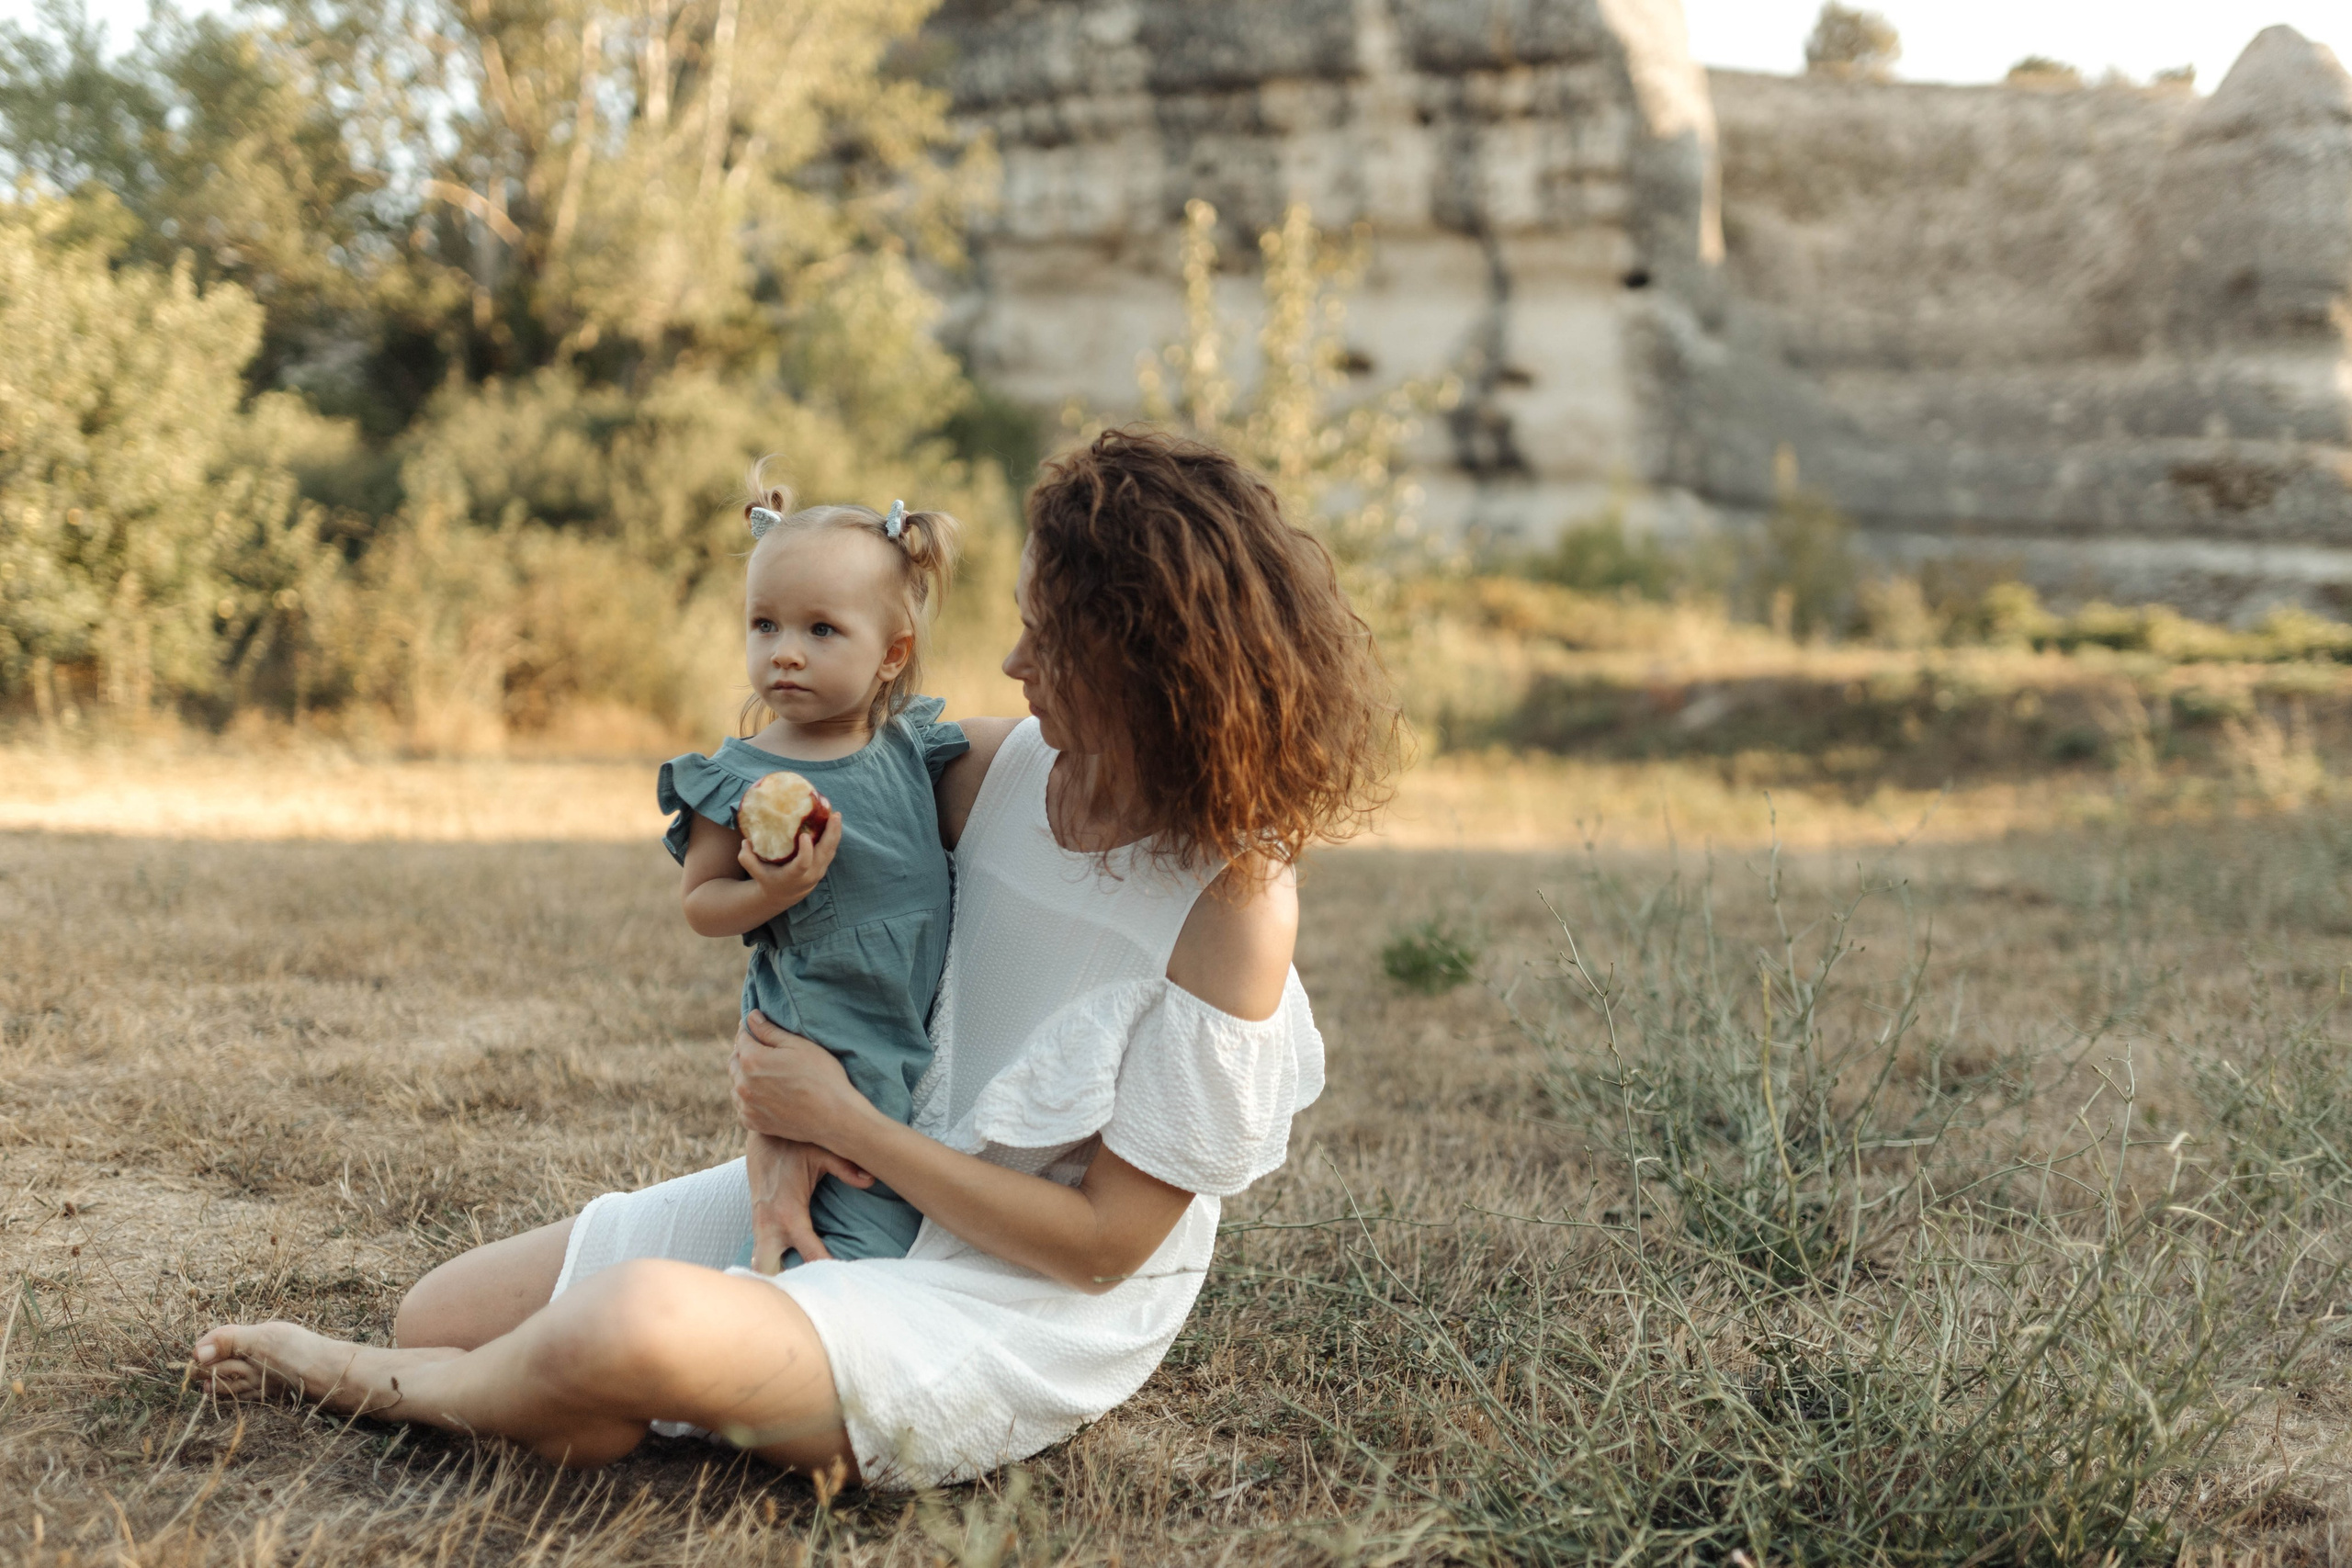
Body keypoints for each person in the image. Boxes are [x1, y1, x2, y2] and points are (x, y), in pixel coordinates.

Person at [191, 429, 1397, 1489]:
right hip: (857, 1179)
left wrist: (846, 1124)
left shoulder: (1232, 901)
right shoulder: (984, 767)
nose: (1018, 664)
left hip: (1018, 1293)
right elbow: (805, 943)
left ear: (1155, 663)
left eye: (1052, 637)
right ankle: (580, 1395)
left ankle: (359, 1375)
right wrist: (780, 1123)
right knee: (443, 1308)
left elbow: (1100, 1247)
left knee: (626, 1321)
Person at [661, 475, 966, 1273]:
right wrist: (772, 892)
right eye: (764, 625)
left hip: (906, 1027)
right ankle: (788, 1308)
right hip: (820, 1030)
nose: (784, 651)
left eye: (821, 629)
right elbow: (700, 903)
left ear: (891, 652)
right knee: (846, 1206)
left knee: (887, 1171)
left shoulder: (910, 748)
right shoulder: (739, 776)